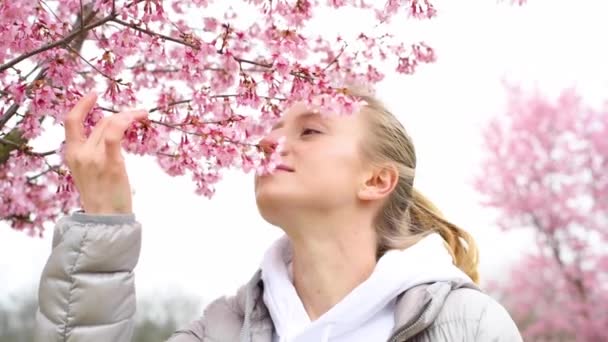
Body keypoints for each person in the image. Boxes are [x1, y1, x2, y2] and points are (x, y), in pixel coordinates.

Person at [34, 88, 523, 342]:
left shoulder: (466, 325)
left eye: (310, 131)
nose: (267, 141)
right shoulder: (220, 329)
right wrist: (104, 219)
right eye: (270, 129)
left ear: (376, 180)